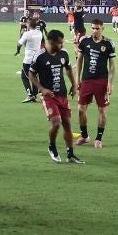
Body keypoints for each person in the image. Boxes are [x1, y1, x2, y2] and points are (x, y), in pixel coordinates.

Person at [30, 29, 83, 164]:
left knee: (67, 125)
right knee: (56, 122)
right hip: (49, 96)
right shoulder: (40, 56)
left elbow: (68, 69)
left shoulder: (63, 54)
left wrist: (73, 84)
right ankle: (52, 146)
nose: (62, 45)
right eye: (59, 43)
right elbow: (31, 74)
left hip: (62, 94)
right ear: (51, 42)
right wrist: (41, 89)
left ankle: (70, 154)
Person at [75, 18, 116, 148]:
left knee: (102, 110)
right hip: (86, 80)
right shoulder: (84, 41)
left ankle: (99, 138)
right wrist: (77, 79)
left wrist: (110, 82)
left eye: (97, 28)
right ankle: (85, 136)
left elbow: (112, 66)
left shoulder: (109, 43)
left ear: (102, 29)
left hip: (101, 81)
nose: (94, 30)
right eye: (93, 28)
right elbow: (79, 61)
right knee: (81, 110)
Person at [16, 20, 44, 103]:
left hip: (28, 59)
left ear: (29, 25)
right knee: (34, 77)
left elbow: (19, 44)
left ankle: (30, 95)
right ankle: (34, 95)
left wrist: (21, 37)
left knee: (24, 76)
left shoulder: (27, 34)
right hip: (38, 59)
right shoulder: (39, 33)